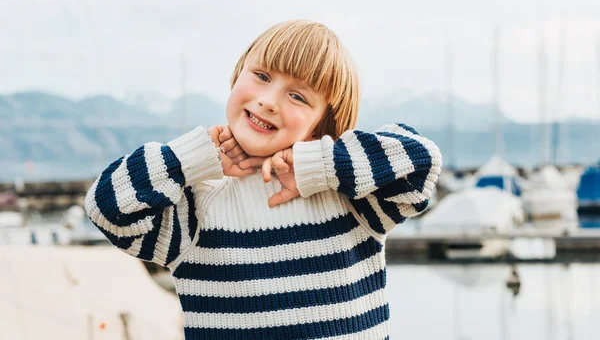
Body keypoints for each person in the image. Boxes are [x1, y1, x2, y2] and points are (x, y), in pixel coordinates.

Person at [85, 20, 442, 339]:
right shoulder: (197, 206)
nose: (269, 100)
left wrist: (316, 165)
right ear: (236, 76)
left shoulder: (350, 197)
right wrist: (193, 158)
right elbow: (106, 207)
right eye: (261, 76)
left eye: (298, 96)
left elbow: (421, 163)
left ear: (321, 125)